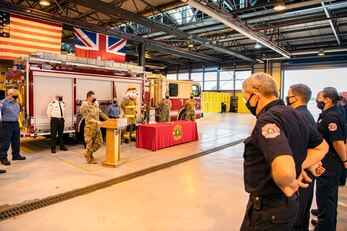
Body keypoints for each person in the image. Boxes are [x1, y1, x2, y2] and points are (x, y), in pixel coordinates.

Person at [240, 73, 328, 231]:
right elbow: (322, 147)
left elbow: (285, 173)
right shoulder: (295, 114)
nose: (246, 102)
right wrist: (299, 166)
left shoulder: (267, 120)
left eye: (246, 97)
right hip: (289, 206)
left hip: (269, 210)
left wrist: (288, 181)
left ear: (256, 95)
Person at [287, 84, 326, 231]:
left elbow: (296, 148)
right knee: (302, 214)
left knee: (295, 217)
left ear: (295, 98)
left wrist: (307, 165)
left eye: (288, 94)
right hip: (308, 171)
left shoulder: (296, 116)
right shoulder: (307, 115)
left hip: (301, 173)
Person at [312, 87, 347, 231]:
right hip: (329, 162)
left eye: (319, 97)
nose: (317, 100)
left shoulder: (331, 117)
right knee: (329, 197)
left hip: (329, 163)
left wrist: (345, 161)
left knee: (326, 197)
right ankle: (326, 221)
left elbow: (338, 142)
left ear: (327, 100)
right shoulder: (329, 113)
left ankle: (324, 226)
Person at [81, 91, 109, 164]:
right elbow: (88, 118)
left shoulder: (95, 106)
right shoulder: (84, 107)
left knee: (99, 142)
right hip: (89, 129)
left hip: (96, 128)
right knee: (89, 144)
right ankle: (91, 157)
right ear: (89, 98)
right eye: (93, 97)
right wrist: (97, 122)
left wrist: (109, 120)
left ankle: (88, 154)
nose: (95, 99)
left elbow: (101, 113)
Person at [0, 88, 26, 166]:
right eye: (16, 94)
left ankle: (16, 155)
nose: (17, 96)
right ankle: (3, 158)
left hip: (15, 123)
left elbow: (18, 110)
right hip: (6, 124)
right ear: (10, 94)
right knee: (5, 142)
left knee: (16, 140)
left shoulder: (16, 102)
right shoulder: (3, 103)